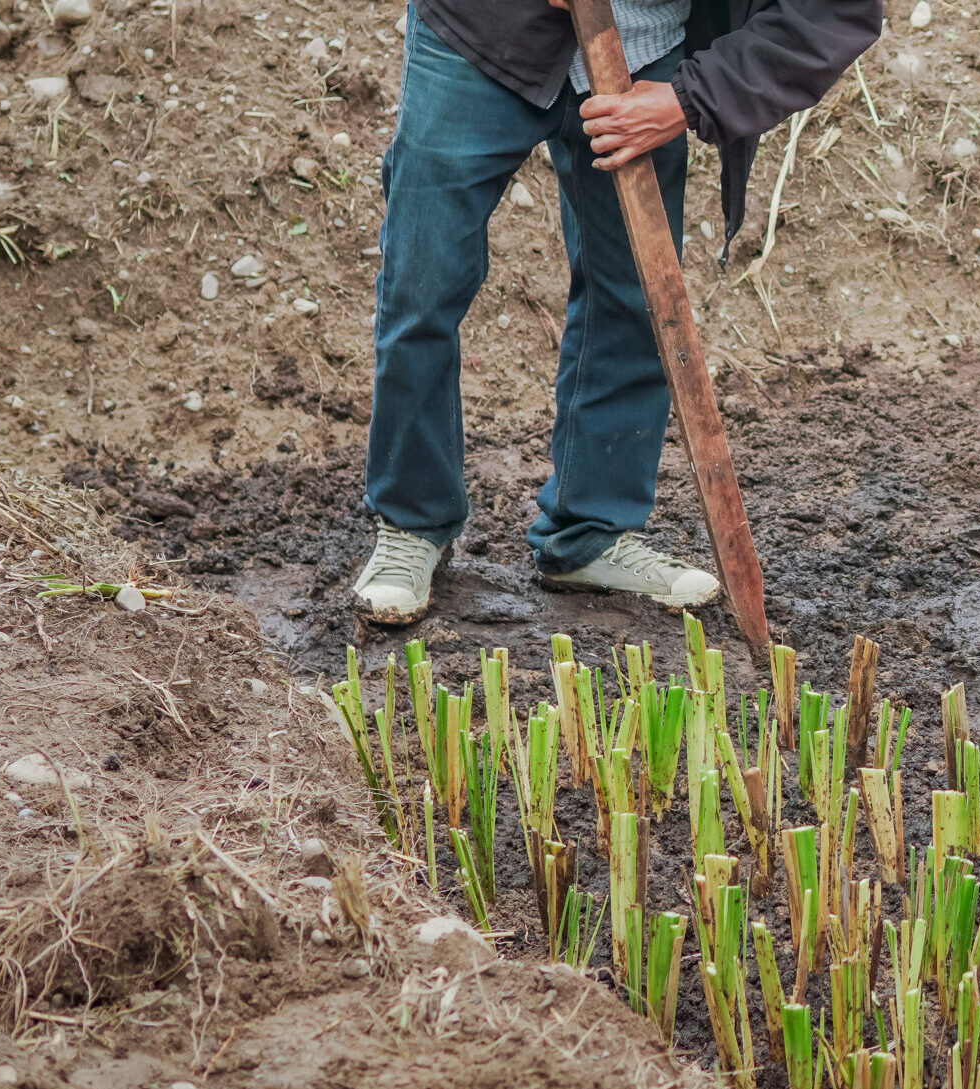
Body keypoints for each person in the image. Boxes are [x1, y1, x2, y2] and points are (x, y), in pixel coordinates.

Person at [349, 0, 879, 624]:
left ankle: (590, 533)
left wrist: (687, 97)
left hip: (645, 55)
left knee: (633, 296)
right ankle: (413, 523)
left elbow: (834, 11)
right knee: (423, 282)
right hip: (481, 34)